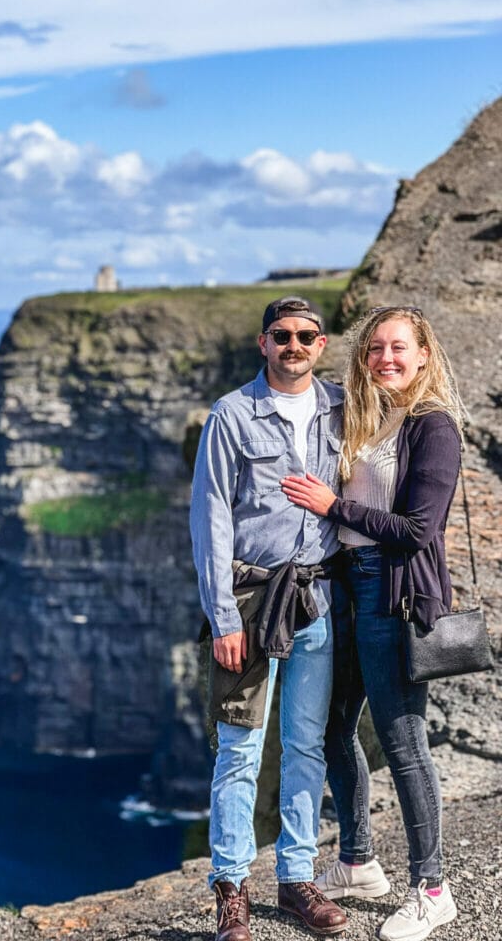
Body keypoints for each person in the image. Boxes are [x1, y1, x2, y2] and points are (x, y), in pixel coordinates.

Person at [281, 306, 463, 941]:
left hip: (394, 594)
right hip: (346, 591)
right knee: (332, 727)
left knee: (403, 739)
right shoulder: (365, 416)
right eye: (375, 348)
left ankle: (432, 888)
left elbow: (418, 531)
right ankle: (357, 863)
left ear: (422, 355)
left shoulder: (433, 425)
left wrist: (337, 505)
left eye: (399, 348)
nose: (386, 357)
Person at [190, 296, 348, 940]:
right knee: (240, 748)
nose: (293, 345)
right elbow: (210, 517)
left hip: (320, 598)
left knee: (306, 743)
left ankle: (296, 879)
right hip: (251, 601)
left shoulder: (342, 406)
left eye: (305, 335)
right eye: (280, 335)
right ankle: (232, 890)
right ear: (263, 344)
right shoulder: (231, 414)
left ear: (322, 342)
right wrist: (222, 616)